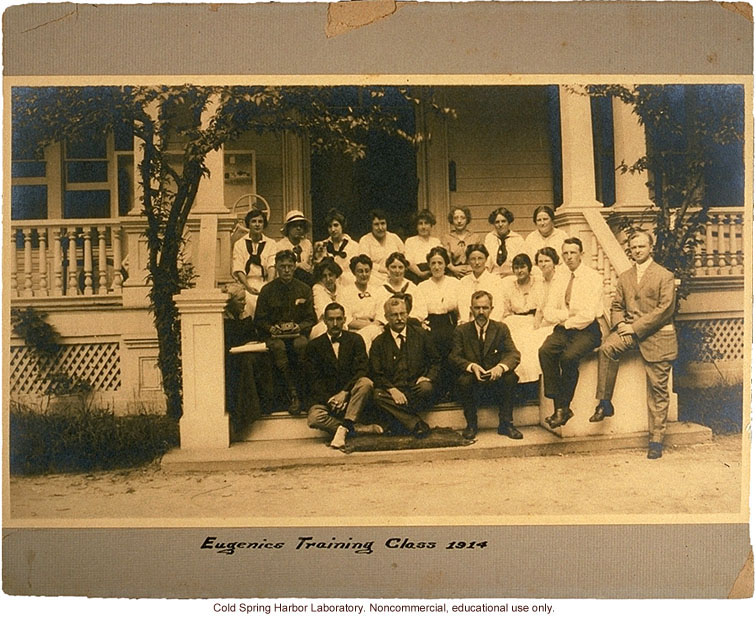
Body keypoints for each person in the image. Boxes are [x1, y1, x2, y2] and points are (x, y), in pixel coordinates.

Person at [592, 230, 678, 459]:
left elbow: (665, 310)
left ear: (651, 248)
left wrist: (635, 327)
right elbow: (616, 305)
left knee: (658, 389)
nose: (637, 251)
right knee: (607, 348)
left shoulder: (664, 276)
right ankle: (604, 402)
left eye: (641, 246)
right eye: (633, 247)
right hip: (629, 332)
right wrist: (621, 325)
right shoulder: (625, 276)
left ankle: (656, 440)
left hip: (657, 335)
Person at [538, 238, 604, 429]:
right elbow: (548, 311)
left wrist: (566, 320)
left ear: (581, 254)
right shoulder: (560, 278)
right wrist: (567, 316)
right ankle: (560, 408)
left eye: (573, 253)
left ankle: (562, 408)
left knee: (568, 358)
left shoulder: (593, 278)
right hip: (565, 327)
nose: (569, 257)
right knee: (546, 351)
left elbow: (588, 315)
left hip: (587, 330)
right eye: (565, 253)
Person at [305, 302, 381, 450]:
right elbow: (313, 380)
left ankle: (343, 428)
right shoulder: (314, 346)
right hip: (327, 399)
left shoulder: (355, 340)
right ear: (324, 321)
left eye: (339, 319)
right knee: (314, 418)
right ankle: (356, 429)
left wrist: (344, 393)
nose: (335, 324)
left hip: (351, 396)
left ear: (345, 319)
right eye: (331, 319)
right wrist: (331, 400)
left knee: (365, 382)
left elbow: (362, 370)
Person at [449, 290, 522, 440]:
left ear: (491, 309)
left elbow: (513, 354)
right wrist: (471, 366)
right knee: (464, 380)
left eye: (485, 308)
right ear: (471, 309)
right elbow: (454, 357)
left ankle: (506, 423)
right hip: (473, 384)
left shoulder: (501, 328)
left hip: (495, 382)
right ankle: (471, 424)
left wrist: (500, 367)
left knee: (511, 377)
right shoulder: (461, 330)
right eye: (477, 308)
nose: (481, 312)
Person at [254, 249, 317, 415]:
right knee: (279, 348)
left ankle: (305, 394)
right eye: (283, 266)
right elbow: (259, 320)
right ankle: (292, 394)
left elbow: (311, 319)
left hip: (296, 334)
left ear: (295, 266)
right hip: (274, 336)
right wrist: (270, 328)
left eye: (290, 266)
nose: (287, 270)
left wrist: (300, 327)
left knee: (302, 344)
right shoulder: (267, 290)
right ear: (276, 267)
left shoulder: (304, 289)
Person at [369, 296, 440, 438]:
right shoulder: (379, 342)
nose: (399, 318)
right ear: (386, 317)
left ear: (407, 314)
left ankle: (397, 422)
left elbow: (436, 360)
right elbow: (376, 373)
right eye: (394, 315)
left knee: (427, 388)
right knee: (377, 395)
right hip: (394, 393)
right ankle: (416, 423)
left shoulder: (421, 334)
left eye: (402, 314)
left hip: (416, 389)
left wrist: (428, 377)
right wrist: (392, 389)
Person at [223, 284, 272, 437]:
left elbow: (251, 335)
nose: (244, 303)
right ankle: (246, 413)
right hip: (231, 358)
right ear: (230, 302)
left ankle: (266, 404)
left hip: (246, 352)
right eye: (240, 300)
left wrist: (253, 343)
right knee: (247, 363)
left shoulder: (243, 316)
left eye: (244, 300)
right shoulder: (223, 319)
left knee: (264, 357)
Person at [501, 253, 552, 383]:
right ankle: (516, 379)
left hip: (535, 319)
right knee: (514, 341)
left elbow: (542, 305)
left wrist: (537, 321)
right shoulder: (509, 286)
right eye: (516, 268)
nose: (519, 271)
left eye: (522, 267)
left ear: (529, 268)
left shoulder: (539, 283)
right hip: (515, 320)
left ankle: (531, 380)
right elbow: (506, 310)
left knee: (530, 342)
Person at [417, 246, 460, 395]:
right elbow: (420, 310)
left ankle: (452, 390)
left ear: (445, 264)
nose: (436, 267)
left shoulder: (455, 283)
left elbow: (460, 307)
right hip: (431, 324)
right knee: (433, 350)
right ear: (429, 265)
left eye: (440, 263)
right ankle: (438, 391)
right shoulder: (422, 286)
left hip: (450, 322)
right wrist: (422, 324)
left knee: (452, 348)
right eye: (433, 263)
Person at [231, 207, 277, 317]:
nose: (257, 225)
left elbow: (272, 266)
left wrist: (268, 288)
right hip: (246, 283)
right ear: (248, 224)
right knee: (248, 300)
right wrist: (248, 287)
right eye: (253, 221)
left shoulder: (271, 243)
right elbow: (238, 268)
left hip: (265, 282)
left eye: (260, 222)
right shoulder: (240, 244)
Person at [337, 254, 385, 353]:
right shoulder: (345, 292)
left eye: (367, 271)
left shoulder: (376, 291)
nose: (364, 274)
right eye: (360, 271)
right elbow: (348, 320)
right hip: (354, 332)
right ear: (354, 272)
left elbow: (380, 316)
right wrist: (370, 325)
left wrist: (371, 325)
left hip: (375, 330)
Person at [456, 243, 505, 324]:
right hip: (469, 325)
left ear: (486, 259)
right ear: (468, 261)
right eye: (473, 259)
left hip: (490, 324)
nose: (477, 262)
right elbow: (462, 307)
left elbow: (499, 308)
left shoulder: (495, 281)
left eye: (480, 258)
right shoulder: (463, 282)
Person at [375, 252, 428, 322]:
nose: (397, 271)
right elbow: (379, 314)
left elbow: (421, 310)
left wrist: (405, 320)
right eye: (393, 267)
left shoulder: (412, 288)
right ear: (387, 268)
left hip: (410, 325)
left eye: (400, 267)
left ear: (405, 269)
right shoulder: (381, 290)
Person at [313, 208, 360, 286]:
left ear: (342, 225)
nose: (333, 229)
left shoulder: (354, 246)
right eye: (329, 226)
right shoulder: (322, 246)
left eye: (336, 225)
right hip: (329, 286)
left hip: (349, 285)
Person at [358, 209, 404, 285]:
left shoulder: (394, 238)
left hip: (396, 276)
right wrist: (385, 270)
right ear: (371, 226)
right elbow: (365, 263)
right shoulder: (365, 240)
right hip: (375, 278)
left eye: (383, 223)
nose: (380, 227)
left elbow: (403, 258)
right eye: (376, 224)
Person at [310, 258, 350, 340]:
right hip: (323, 326)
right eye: (324, 276)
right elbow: (324, 314)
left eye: (331, 275)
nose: (328, 279)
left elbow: (348, 312)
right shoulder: (317, 289)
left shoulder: (342, 289)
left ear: (336, 275)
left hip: (343, 324)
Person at [484, 207, 525, 278]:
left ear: (509, 222)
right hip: (493, 277)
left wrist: (510, 274)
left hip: (512, 276)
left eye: (503, 221)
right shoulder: (490, 238)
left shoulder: (518, 239)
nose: (500, 225)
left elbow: (522, 264)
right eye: (497, 222)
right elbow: (487, 263)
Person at [276, 210, 314, 286]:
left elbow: (310, 264)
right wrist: (298, 265)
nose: (299, 228)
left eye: (301, 226)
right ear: (288, 228)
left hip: (305, 282)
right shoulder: (280, 245)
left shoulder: (307, 243)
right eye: (295, 226)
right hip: (287, 281)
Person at [404, 209, 442, 283]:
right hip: (415, 275)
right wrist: (420, 274)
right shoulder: (410, 241)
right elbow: (409, 261)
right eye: (420, 224)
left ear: (431, 225)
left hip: (433, 274)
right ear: (416, 226)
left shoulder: (436, 241)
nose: (423, 227)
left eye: (426, 223)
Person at [442, 207, 478, 279]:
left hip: (472, 273)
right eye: (455, 218)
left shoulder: (475, 237)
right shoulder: (447, 238)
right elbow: (445, 257)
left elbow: (478, 257)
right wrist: (454, 269)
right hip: (453, 274)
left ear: (467, 219)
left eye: (462, 218)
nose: (459, 221)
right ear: (452, 220)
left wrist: (470, 269)